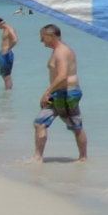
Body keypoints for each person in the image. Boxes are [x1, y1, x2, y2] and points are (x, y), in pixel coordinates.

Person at [33, 24, 87, 162]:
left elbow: (63, 76)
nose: (41, 40)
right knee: (40, 123)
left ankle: (83, 158)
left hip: (67, 94)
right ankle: (37, 157)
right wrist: (50, 93)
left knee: (75, 126)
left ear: (51, 36)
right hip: (57, 94)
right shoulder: (57, 50)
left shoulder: (61, 52)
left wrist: (46, 93)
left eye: (42, 37)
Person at [0, 17, 16, 91]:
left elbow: (15, 40)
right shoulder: (6, 29)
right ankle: (8, 94)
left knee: (6, 76)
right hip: (5, 54)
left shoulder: (9, 29)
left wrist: (8, 49)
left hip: (5, 55)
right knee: (6, 76)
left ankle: (7, 94)